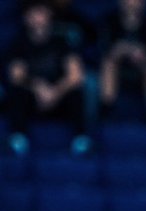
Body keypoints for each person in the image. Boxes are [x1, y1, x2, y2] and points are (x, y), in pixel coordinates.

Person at [5, 0, 90, 155]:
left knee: (77, 91)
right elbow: (16, 76)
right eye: (34, 14)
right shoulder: (18, 43)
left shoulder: (62, 42)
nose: (38, 18)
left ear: (49, 16)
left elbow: (76, 74)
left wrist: (55, 92)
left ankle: (81, 138)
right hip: (33, 99)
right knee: (16, 91)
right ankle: (18, 137)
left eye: (41, 13)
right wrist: (38, 87)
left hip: (59, 97)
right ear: (26, 17)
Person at [98, 0, 146, 121]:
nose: (132, 4)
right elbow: (106, 49)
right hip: (118, 65)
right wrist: (123, 50)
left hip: (141, 66)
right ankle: (107, 109)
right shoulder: (111, 21)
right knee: (108, 63)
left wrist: (142, 54)